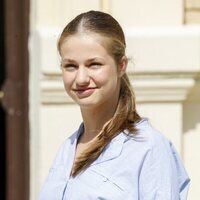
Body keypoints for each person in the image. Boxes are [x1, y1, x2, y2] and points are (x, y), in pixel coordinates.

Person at [39, 10, 190, 200]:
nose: (81, 78)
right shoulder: (66, 149)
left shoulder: (148, 148)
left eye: (94, 64)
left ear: (121, 66)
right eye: (71, 66)